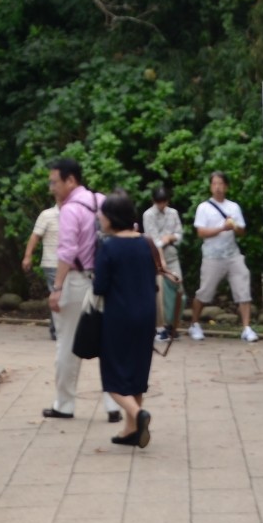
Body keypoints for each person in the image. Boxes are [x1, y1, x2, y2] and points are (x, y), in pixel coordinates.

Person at [43, 157, 116, 421]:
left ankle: (64, 404)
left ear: (70, 180)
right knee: (108, 343)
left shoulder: (70, 210)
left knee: (67, 342)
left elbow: (67, 252)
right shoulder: (102, 202)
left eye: (55, 182)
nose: (52, 188)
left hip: (75, 281)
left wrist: (57, 287)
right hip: (104, 282)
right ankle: (114, 404)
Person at [94, 191, 161, 448]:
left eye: (102, 213)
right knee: (137, 371)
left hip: (118, 317)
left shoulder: (108, 246)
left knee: (112, 377)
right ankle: (131, 430)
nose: (99, 217)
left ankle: (137, 414)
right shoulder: (146, 242)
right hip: (146, 316)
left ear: (111, 217)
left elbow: (100, 287)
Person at [189, 172, 257, 343]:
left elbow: (242, 231)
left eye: (221, 184)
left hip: (232, 254)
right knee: (205, 292)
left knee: (243, 288)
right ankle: (194, 323)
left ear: (226, 186)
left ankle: (246, 328)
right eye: (214, 184)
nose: (218, 187)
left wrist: (234, 226)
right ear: (210, 186)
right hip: (212, 256)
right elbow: (201, 232)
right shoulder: (203, 208)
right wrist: (222, 228)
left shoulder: (233, 207)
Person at [141, 183, 184, 342]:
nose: (161, 204)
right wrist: (161, 262)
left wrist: (170, 238)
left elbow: (179, 234)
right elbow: (152, 240)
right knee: (160, 293)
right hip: (155, 257)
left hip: (172, 254)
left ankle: (173, 325)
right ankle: (161, 327)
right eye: (159, 201)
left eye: (164, 201)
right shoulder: (148, 215)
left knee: (178, 288)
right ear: (153, 200)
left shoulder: (173, 213)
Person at [22, 199, 62, 339]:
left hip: (68, 263)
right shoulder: (47, 215)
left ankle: (56, 328)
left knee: (63, 296)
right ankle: (57, 330)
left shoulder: (75, 214)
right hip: (51, 263)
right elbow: (35, 236)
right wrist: (28, 256)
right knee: (58, 295)